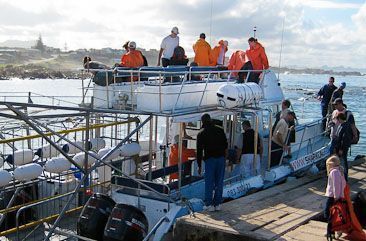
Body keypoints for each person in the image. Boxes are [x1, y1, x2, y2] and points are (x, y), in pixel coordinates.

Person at [197, 113, 228, 211]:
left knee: (209, 182)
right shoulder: (220, 130)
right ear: (210, 120)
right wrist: (225, 158)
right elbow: (226, 145)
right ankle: (218, 204)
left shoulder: (201, 133)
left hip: (210, 159)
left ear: (202, 121)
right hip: (221, 159)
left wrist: (199, 166)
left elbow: (199, 151)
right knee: (219, 182)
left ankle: (209, 204)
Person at [324, 155, 346, 239]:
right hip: (337, 196)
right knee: (334, 214)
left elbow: (336, 185)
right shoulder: (340, 171)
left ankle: (332, 231)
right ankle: (332, 231)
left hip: (333, 197)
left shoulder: (334, 172)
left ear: (331, 164)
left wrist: (336, 196)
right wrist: (340, 195)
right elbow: (343, 184)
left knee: (328, 214)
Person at [333, 113, 352, 181]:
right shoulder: (343, 125)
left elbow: (344, 138)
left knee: (343, 161)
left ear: (340, 119)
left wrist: (341, 148)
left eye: (337, 119)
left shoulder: (344, 126)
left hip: (342, 147)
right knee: (342, 161)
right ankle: (342, 176)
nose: (337, 121)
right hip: (341, 146)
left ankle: (344, 177)